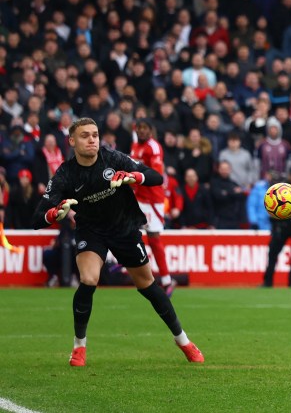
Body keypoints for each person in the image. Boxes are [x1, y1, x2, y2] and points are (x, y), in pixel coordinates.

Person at [32, 118, 204, 367]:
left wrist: (134, 176)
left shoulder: (112, 158)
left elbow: (156, 177)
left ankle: (184, 341)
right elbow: (38, 217)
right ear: (71, 141)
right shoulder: (64, 174)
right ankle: (79, 347)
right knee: (89, 279)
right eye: (85, 136)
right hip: (91, 231)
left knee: (147, 285)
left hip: (124, 228)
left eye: (95, 135)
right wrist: (53, 214)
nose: (92, 139)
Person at [131, 119, 176, 296]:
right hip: (138, 196)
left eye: (145, 128)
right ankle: (132, 270)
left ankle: (166, 280)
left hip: (152, 198)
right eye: (139, 128)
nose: (142, 131)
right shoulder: (135, 146)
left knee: (154, 238)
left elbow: (155, 174)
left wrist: (135, 179)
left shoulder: (154, 148)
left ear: (151, 131)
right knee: (126, 230)